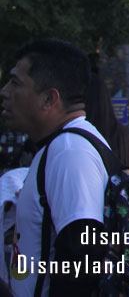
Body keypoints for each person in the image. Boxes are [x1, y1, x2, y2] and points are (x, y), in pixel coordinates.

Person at [0, 39, 109, 296]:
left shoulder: (70, 151)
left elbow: (82, 257)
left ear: (49, 98)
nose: (4, 92)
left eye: (15, 83)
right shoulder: (60, 146)